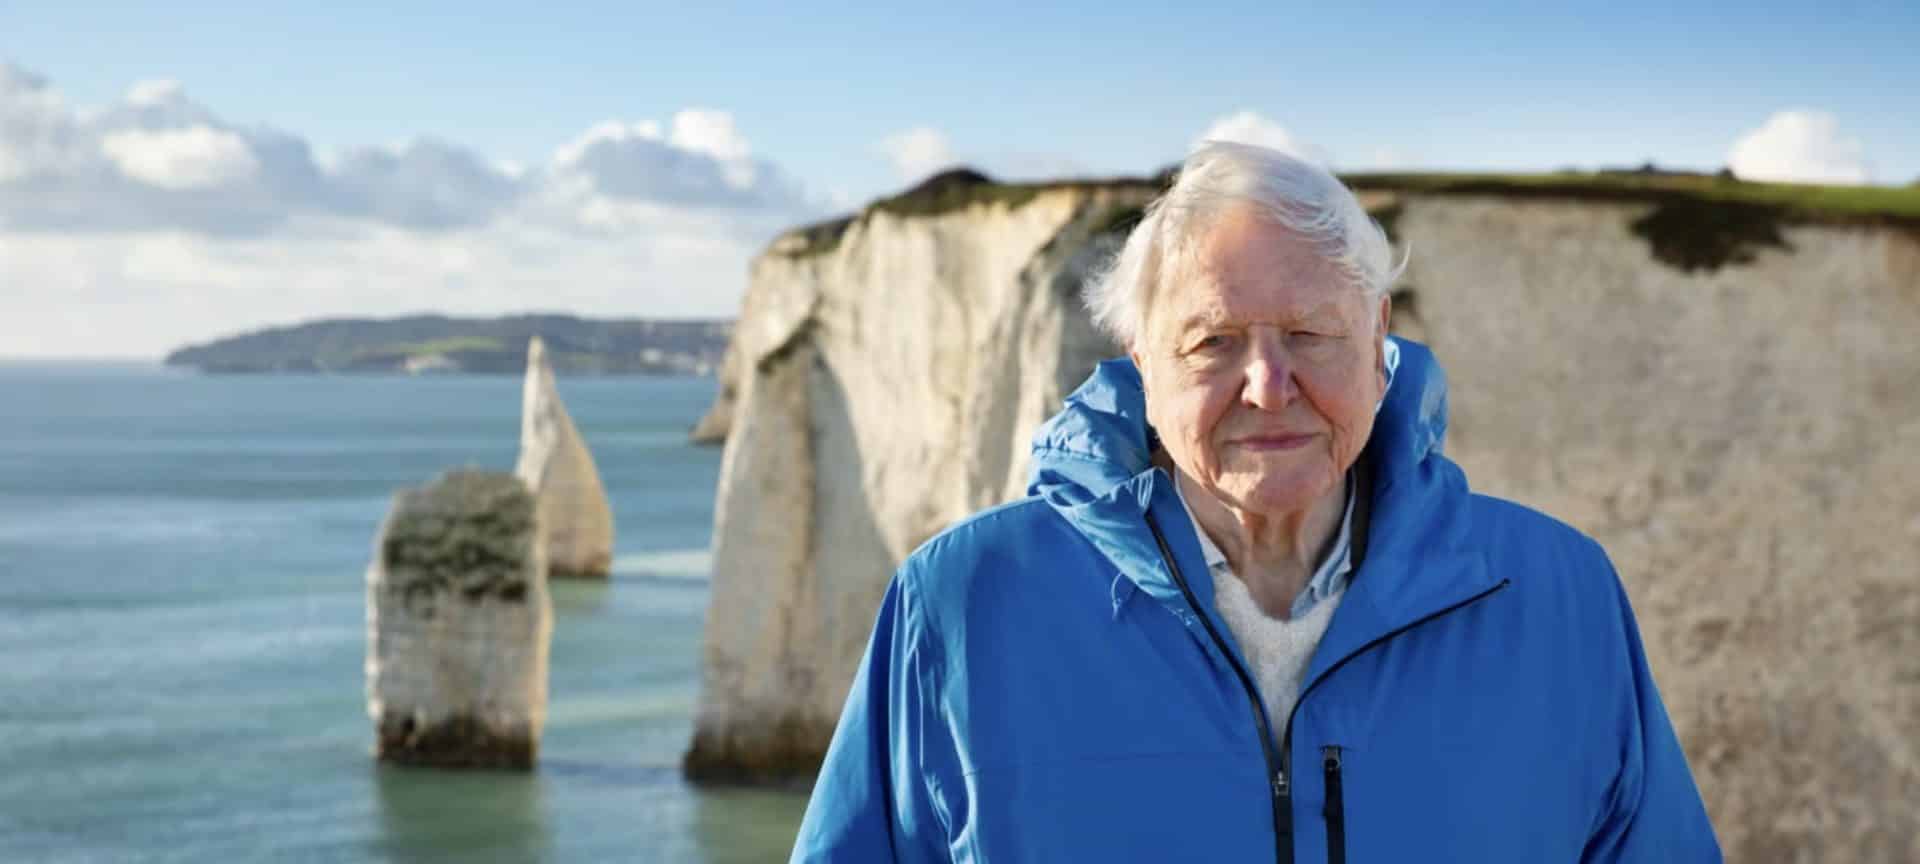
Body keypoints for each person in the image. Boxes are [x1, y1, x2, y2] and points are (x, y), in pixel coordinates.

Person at [789, 141, 1721, 862]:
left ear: (1378, 338)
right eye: (1213, 342)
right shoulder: (962, 602)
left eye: (1312, 334)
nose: (1269, 385)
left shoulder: (1558, 594)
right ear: (1141, 361)